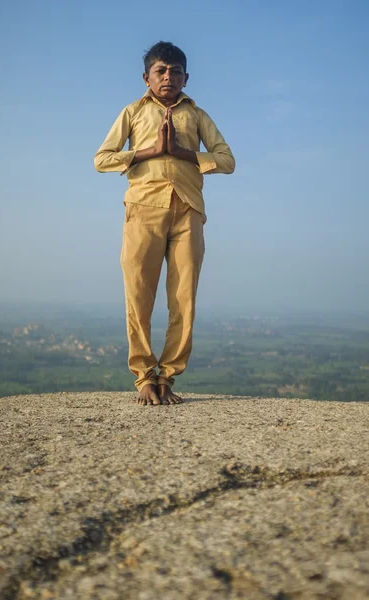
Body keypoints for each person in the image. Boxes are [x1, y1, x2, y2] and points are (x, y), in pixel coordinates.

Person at [94, 41, 235, 406]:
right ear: (146, 78)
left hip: (188, 209)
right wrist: (150, 152)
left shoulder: (197, 115)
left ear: (187, 77)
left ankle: (168, 377)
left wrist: (182, 153)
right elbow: (102, 159)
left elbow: (226, 159)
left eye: (175, 71)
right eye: (161, 71)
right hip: (143, 209)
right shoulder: (133, 112)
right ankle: (144, 377)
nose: (168, 77)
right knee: (139, 294)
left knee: (183, 297)